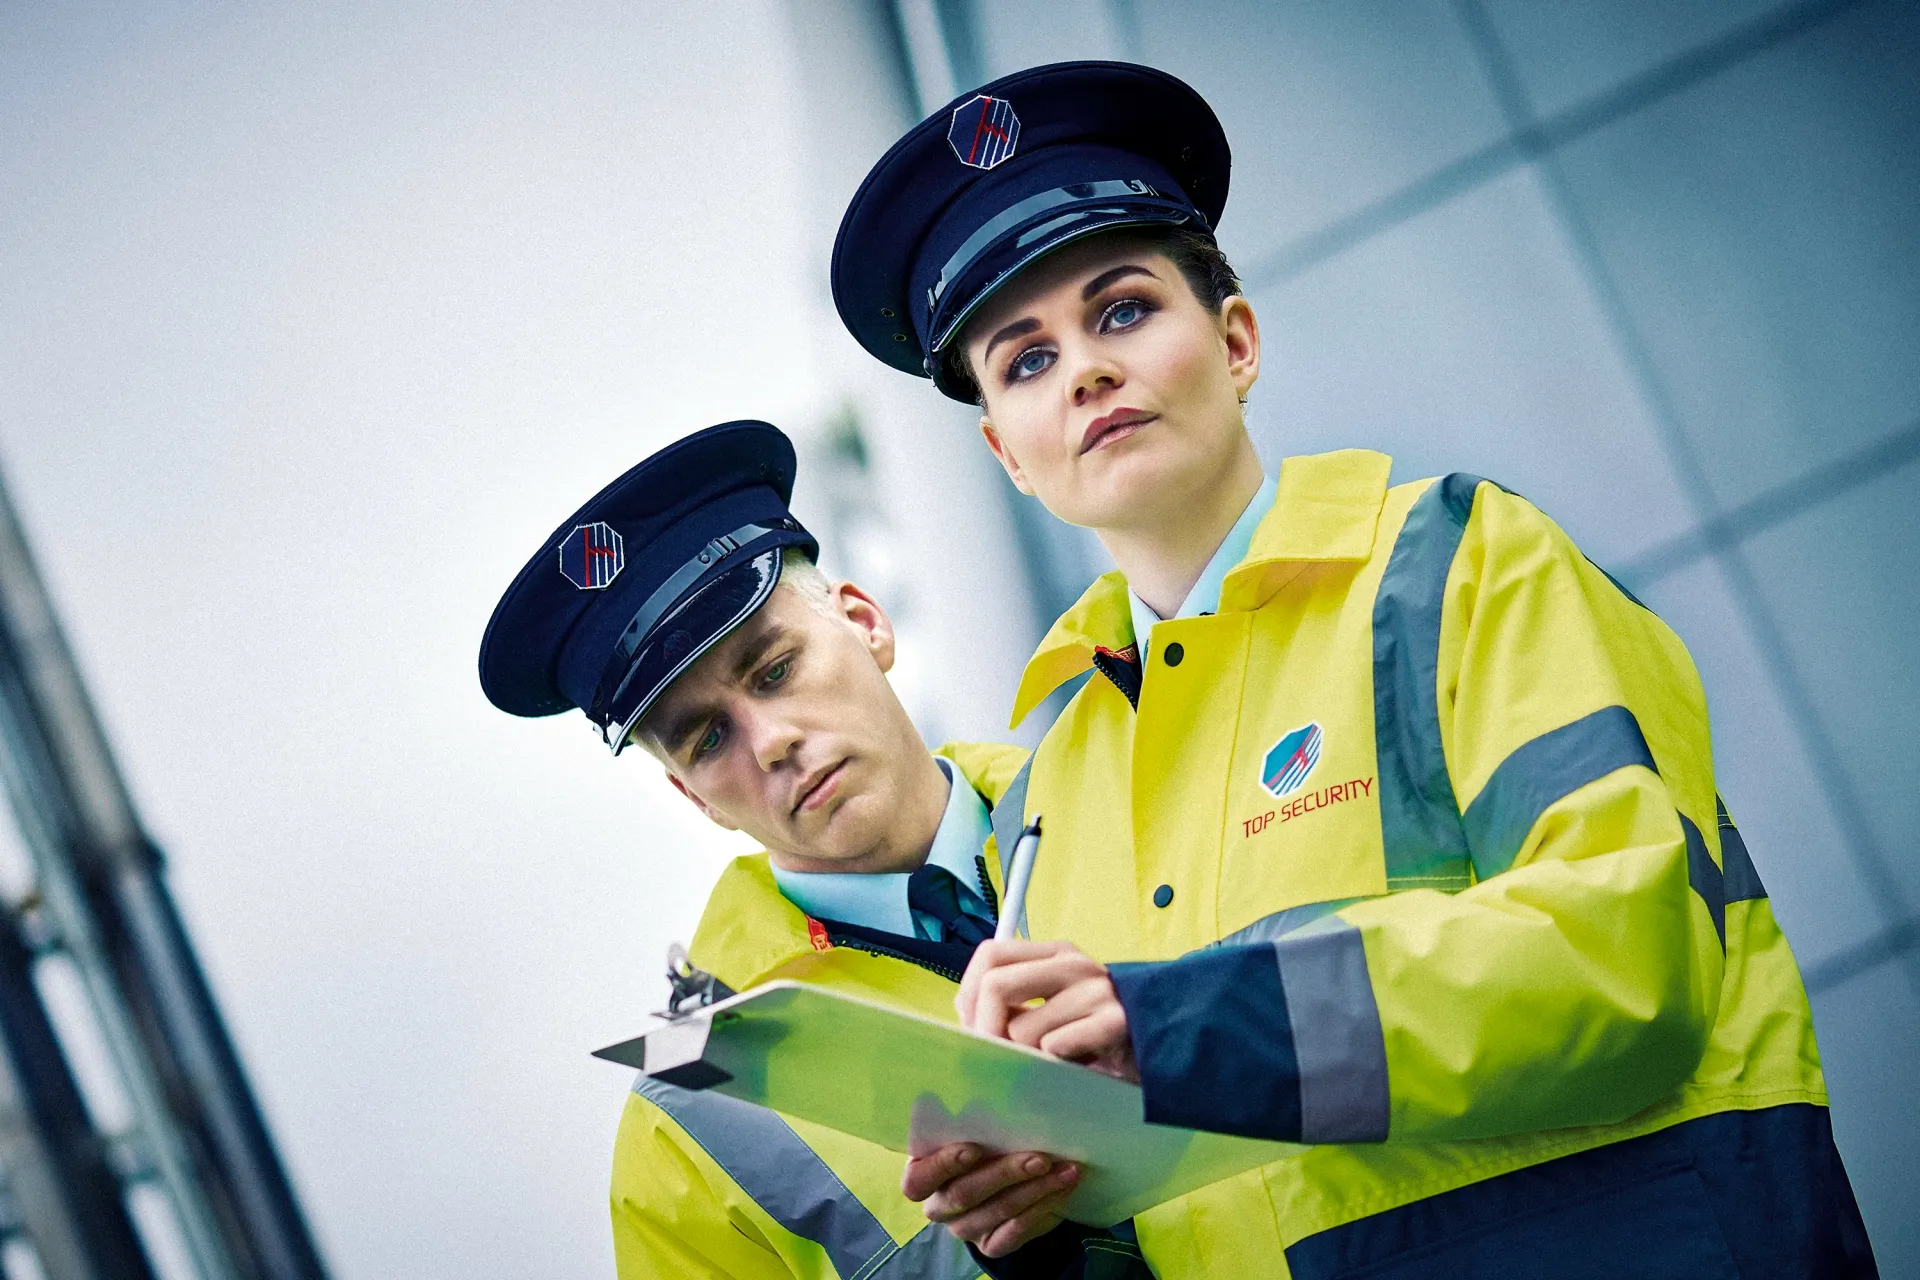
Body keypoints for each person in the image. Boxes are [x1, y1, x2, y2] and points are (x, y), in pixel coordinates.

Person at [830, 61, 1875, 1278]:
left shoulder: (1462, 565)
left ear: (1236, 341)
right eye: (1024, 361)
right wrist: (1044, 1217)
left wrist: (1179, 1028)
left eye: (1120, 311)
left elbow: (1625, 961)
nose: (1083, 372)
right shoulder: (1049, 798)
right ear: (1008, 455)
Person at [477, 420, 1103, 1279]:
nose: (770, 741)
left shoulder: (1142, 794)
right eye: (707, 739)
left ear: (866, 623)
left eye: (774, 670)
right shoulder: (690, 1118)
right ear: (695, 798)